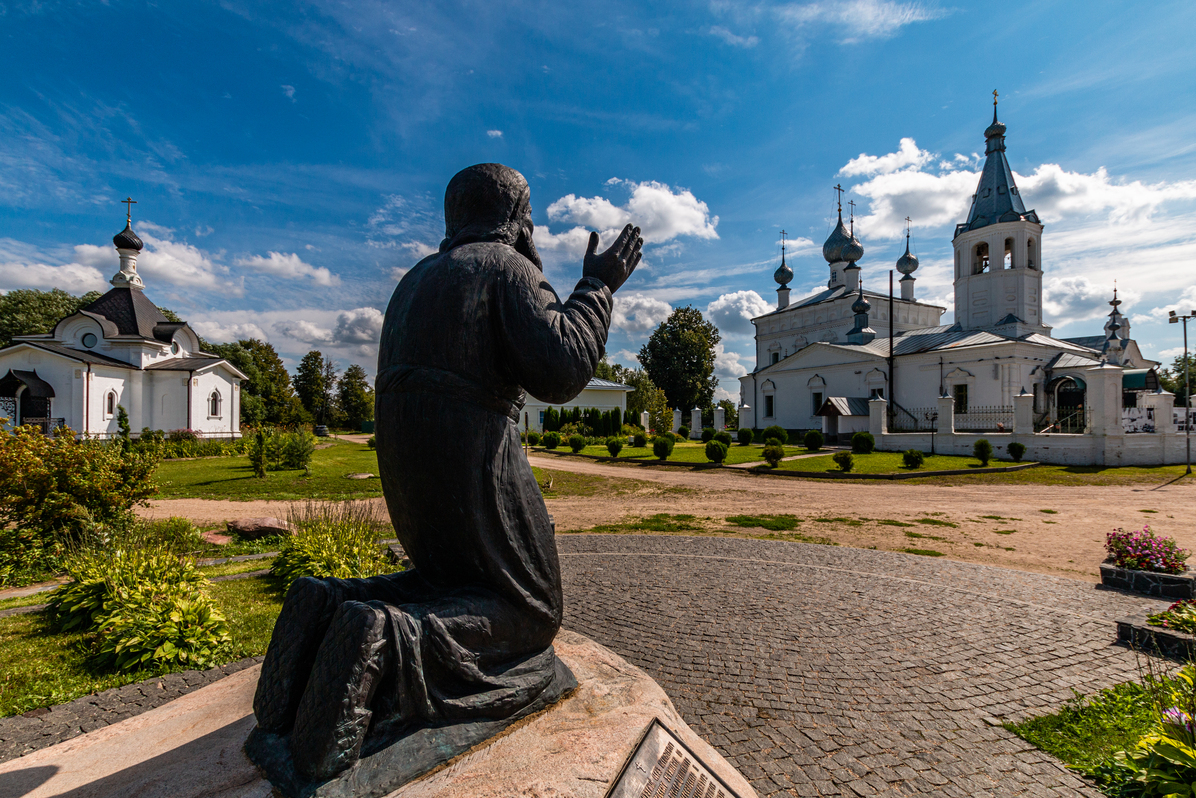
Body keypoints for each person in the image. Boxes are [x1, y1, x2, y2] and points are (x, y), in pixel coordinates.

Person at [250, 163, 642, 783]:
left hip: (413, 474)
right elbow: (562, 370)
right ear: (517, 218)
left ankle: (331, 604)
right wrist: (598, 286)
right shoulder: (507, 270)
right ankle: (382, 635)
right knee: (532, 611)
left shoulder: (413, 282)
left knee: (447, 586)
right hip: (473, 463)